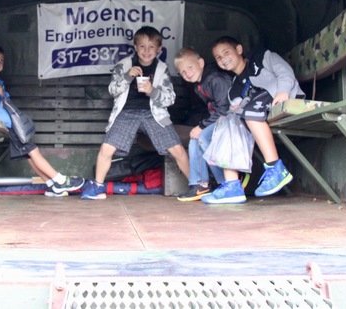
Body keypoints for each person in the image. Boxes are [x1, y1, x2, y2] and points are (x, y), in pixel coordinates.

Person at [81, 26, 190, 200]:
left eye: (151, 47)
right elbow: (112, 90)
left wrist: (152, 91)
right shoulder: (124, 65)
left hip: (154, 114)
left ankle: (195, 185)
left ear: (159, 49)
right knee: (107, 148)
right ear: (135, 47)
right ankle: (98, 187)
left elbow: (170, 98)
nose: (146, 51)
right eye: (142, 46)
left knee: (177, 149)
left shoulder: (162, 68)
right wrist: (126, 76)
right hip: (127, 112)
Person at [0, 44, 85, 197]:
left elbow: (7, 102)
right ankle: (61, 180)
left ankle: (51, 185)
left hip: (9, 123)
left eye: (1, 60)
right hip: (0, 124)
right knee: (32, 149)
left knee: (29, 154)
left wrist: (2, 94)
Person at [201, 36, 304, 204]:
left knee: (249, 109)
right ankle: (232, 185)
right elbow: (236, 110)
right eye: (218, 57)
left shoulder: (262, 57)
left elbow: (284, 72)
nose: (223, 59)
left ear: (239, 50)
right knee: (227, 122)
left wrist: (282, 91)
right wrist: (229, 115)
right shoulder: (234, 89)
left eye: (226, 52)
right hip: (257, 110)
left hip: (282, 96)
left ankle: (275, 167)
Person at [173, 47, 250, 202]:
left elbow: (224, 108)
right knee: (195, 139)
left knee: (201, 137)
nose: (187, 73)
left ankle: (228, 182)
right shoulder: (199, 84)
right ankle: (200, 185)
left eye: (190, 67)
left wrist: (201, 126)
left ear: (201, 63)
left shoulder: (215, 78)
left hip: (234, 119)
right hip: (221, 119)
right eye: (182, 72)